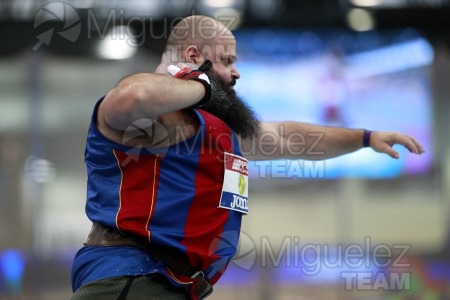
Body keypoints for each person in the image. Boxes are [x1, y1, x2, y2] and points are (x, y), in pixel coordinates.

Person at [70, 15, 425, 300]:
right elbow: (134, 96)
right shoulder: (156, 117)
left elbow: (290, 138)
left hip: (169, 283)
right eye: (227, 61)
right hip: (128, 275)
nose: (236, 73)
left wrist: (365, 138)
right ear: (194, 58)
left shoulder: (217, 129)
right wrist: (204, 85)